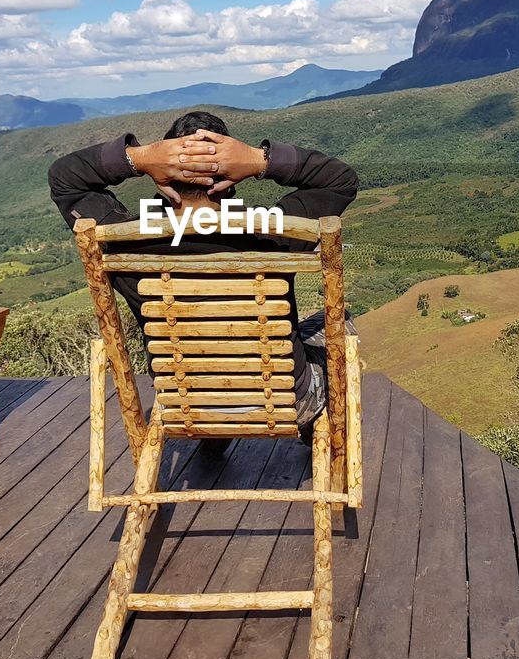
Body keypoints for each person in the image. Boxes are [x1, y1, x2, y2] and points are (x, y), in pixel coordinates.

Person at [48, 110, 359, 432]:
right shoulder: (273, 235)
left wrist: (137, 158)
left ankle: (212, 440)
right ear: (229, 181)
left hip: (182, 401)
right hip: (283, 401)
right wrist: (260, 159)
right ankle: (314, 439)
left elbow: (64, 178)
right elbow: (341, 181)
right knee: (335, 323)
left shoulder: (124, 244)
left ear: (162, 175)